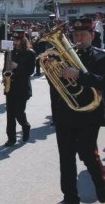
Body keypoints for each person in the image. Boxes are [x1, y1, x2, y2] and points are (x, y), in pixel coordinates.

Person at [42, 17, 105, 204]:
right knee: (66, 159)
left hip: (89, 115)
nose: (78, 38)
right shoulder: (62, 56)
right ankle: (70, 197)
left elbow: (102, 81)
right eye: (75, 35)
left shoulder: (101, 57)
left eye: (83, 35)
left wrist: (81, 75)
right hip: (65, 115)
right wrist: (51, 70)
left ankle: (102, 190)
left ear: (92, 36)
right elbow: (56, 86)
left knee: (88, 155)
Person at [3, 29, 36, 147]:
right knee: (10, 114)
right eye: (14, 40)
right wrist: (4, 76)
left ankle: (25, 126)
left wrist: (18, 66)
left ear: (23, 40)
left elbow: (30, 71)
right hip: (10, 86)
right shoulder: (9, 51)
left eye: (17, 40)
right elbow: (5, 66)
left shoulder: (30, 53)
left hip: (22, 87)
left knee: (18, 112)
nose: (15, 42)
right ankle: (11, 138)